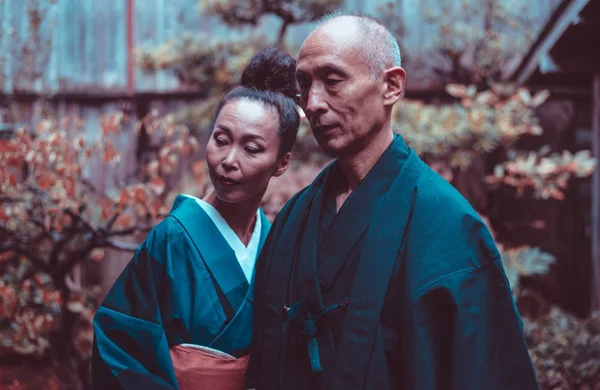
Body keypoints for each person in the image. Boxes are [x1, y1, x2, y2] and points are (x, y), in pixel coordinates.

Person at [246, 13, 539, 390]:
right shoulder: (294, 218)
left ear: (391, 87)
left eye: (333, 81)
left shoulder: (447, 225)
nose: (314, 103)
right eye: (304, 84)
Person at [91, 47, 300, 390]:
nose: (228, 160)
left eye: (251, 148)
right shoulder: (172, 239)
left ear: (281, 162)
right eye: (221, 140)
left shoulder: (275, 241)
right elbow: (119, 345)